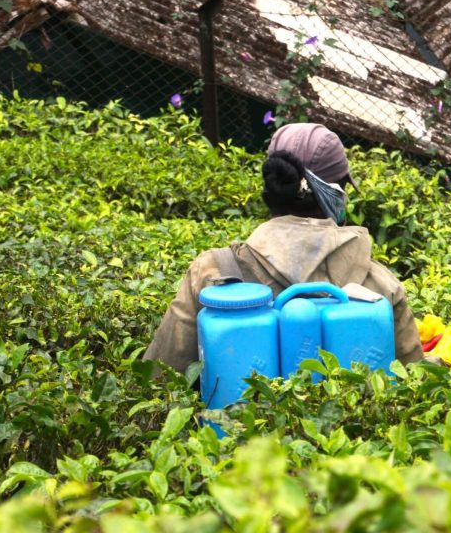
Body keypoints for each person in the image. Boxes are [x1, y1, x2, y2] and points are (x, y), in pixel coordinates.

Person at [143, 122, 424, 374]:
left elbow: (160, 378)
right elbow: (413, 384)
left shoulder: (213, 272)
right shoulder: (380, 287)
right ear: (336, 194)